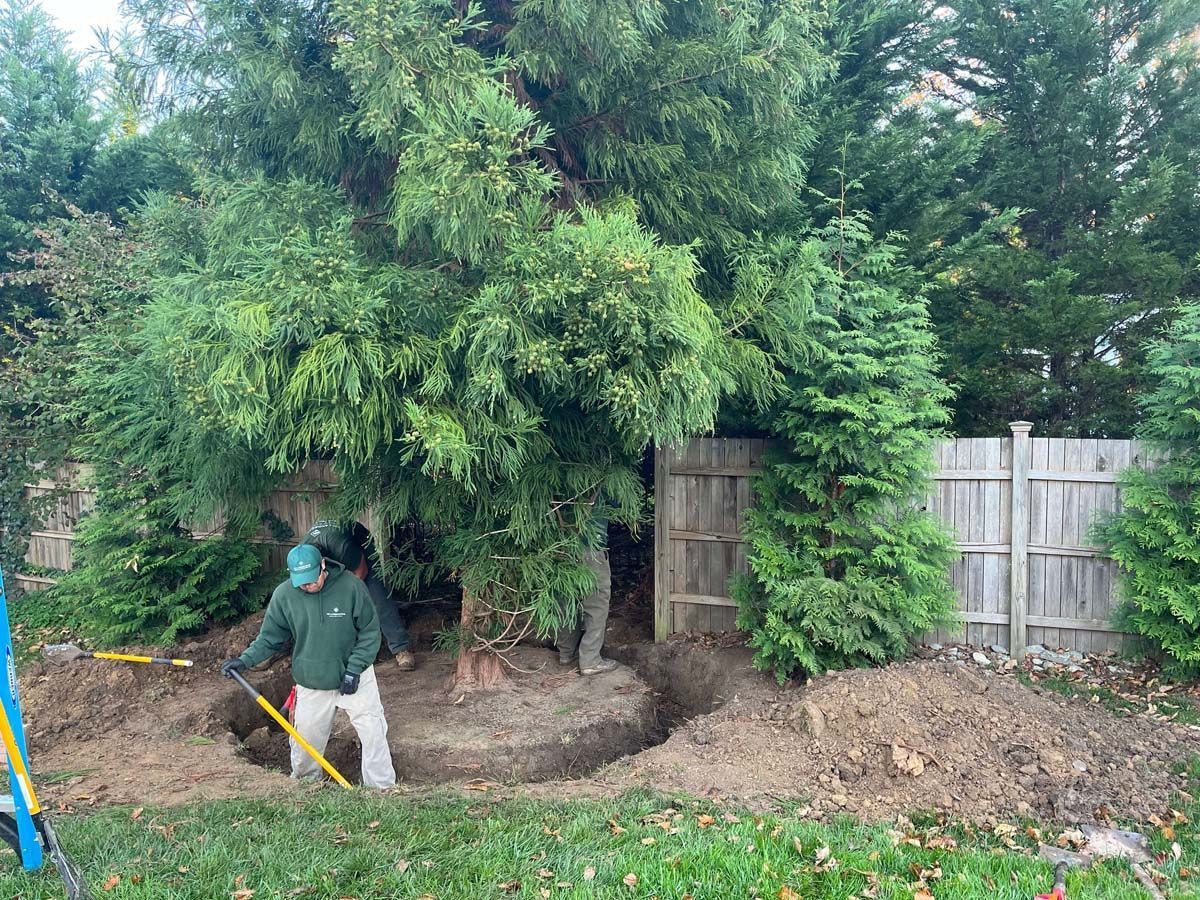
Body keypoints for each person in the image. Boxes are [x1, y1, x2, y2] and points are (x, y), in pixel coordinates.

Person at [222, 544, 396, 789]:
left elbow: (369, 632)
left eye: (311, 579)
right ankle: (306, 789)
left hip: (356, 678)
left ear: (323, 566)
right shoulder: (285, 595)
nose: (307, 586)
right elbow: (270, 637)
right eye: (301, 581)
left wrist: (355, 669)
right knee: (306, 744)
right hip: (312, 681)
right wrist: (244, 660)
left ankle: (382, 789)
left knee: (373, 734)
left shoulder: (351, 587)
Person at [303, 519, 415, 671]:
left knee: (377, 598)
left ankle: (400, 648)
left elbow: (360, 572)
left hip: (361, 547)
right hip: (333, 551)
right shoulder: (302, 555)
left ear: (323, 563)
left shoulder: (342, 547)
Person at [556, 495, 616, 676]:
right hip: (591, 546)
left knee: (566, 598)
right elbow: (618, 504)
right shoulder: (601, 475)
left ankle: (566, 653)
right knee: (597, 602)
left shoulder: (557, 472)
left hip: (562, 546)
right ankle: (590, 660)